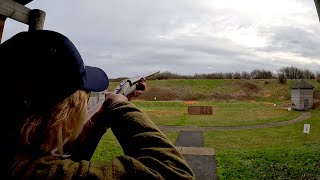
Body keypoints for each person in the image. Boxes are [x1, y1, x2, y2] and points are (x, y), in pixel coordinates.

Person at [0, 30, 194, 179]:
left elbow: (66, 158)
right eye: (82, 100)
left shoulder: (18, 154)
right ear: (54, 118)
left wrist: (109, 111)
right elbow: (173, 172)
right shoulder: (35, 172)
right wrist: (121, 106)